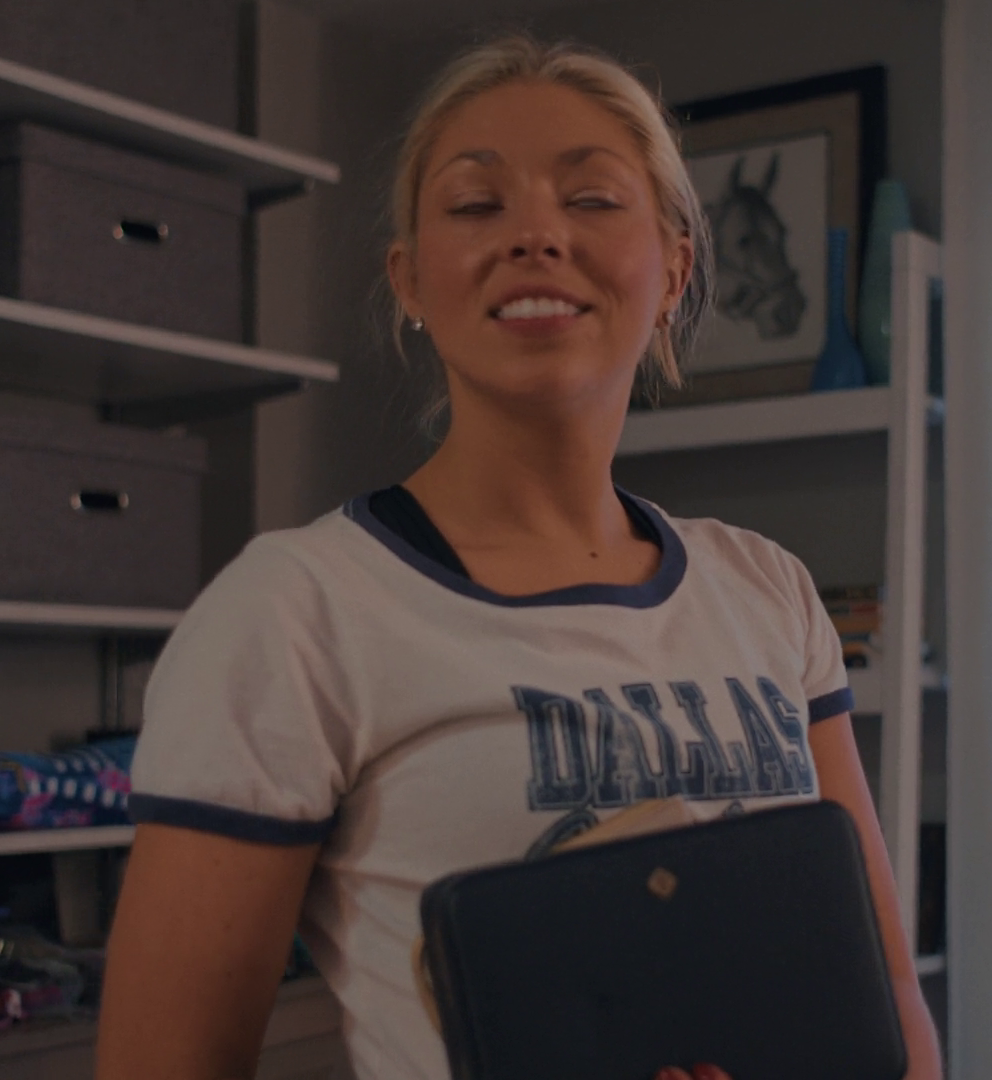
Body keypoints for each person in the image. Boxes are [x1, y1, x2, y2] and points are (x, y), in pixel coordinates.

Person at [95, 34, 943, 1080]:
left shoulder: (768, 590)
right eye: (475, 204)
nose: (536, 234)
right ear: (411, 278)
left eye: (591, 199)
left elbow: (888, 1001)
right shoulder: (295, 612)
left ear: (674, 268)